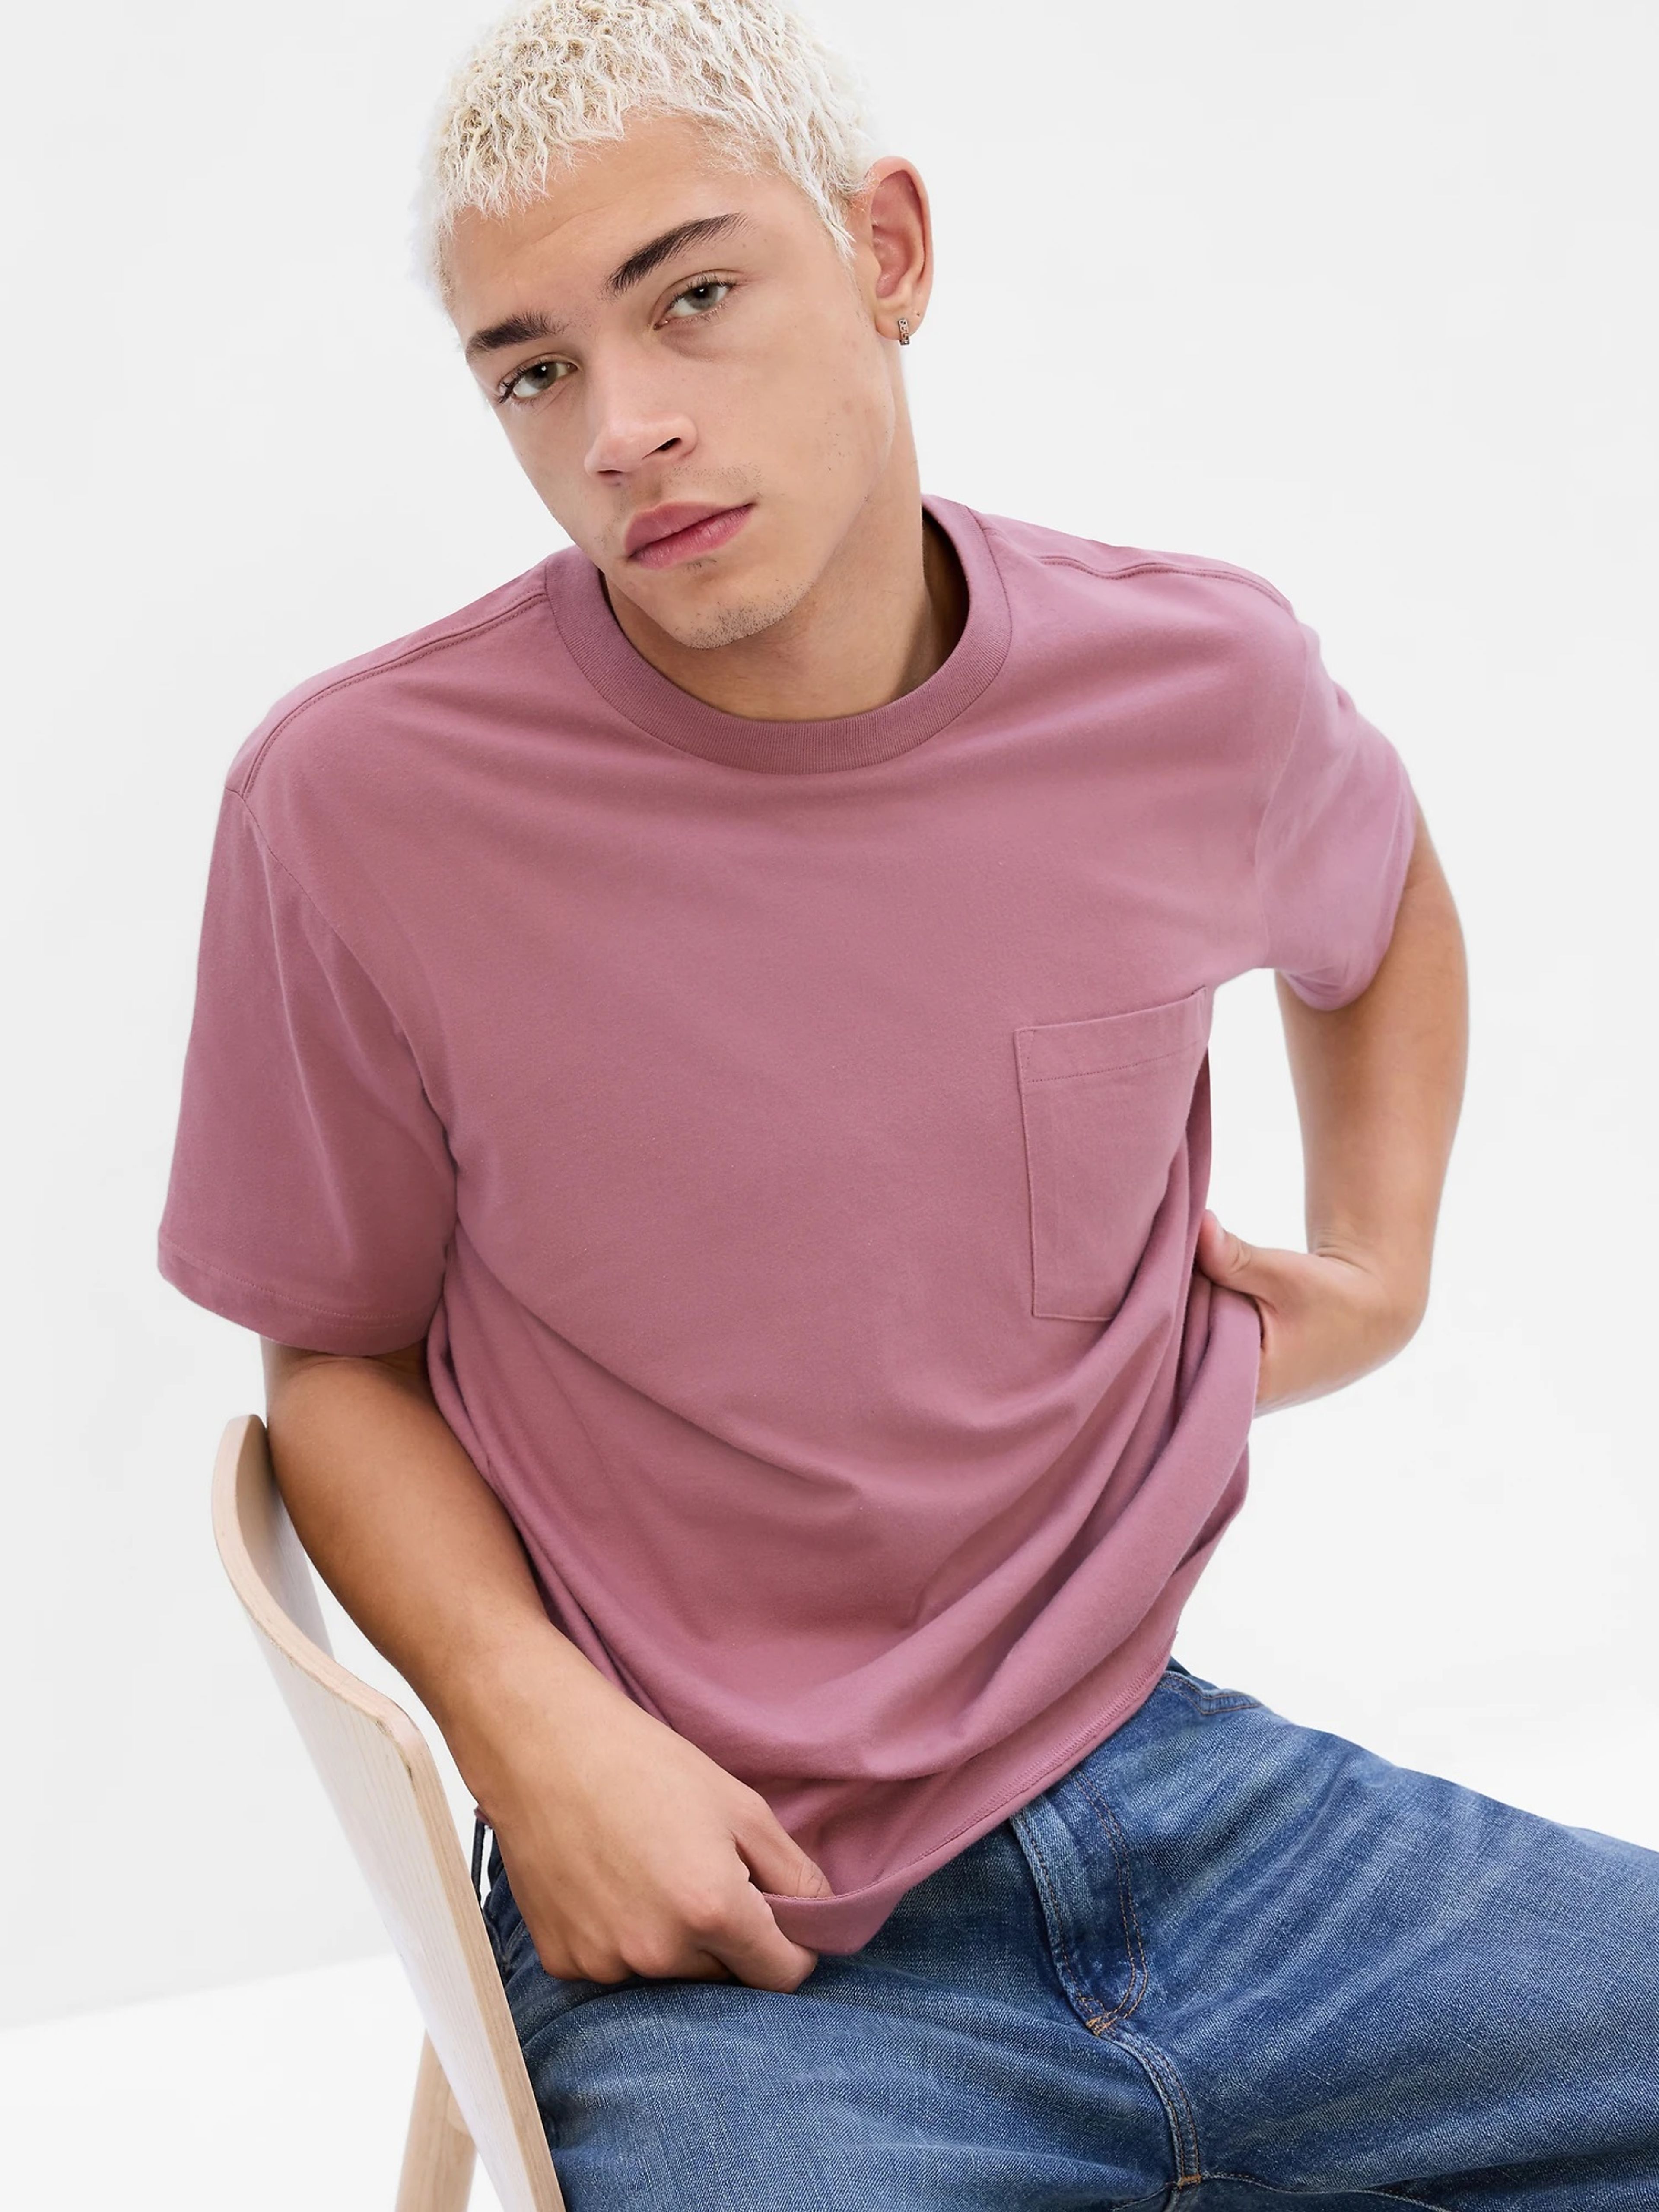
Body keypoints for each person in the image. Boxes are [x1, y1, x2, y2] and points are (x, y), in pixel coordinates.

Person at [156, 1, 1656, 2202]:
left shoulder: (1192, 684)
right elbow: (335, 1363)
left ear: (886, 252)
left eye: (692, 295)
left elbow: (1380, 902)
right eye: (535, 372)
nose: (625, 430)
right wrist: (532, 1729)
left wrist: (1383, 1263)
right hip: (734, 1934)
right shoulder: (362, 807)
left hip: (1202, 1819)